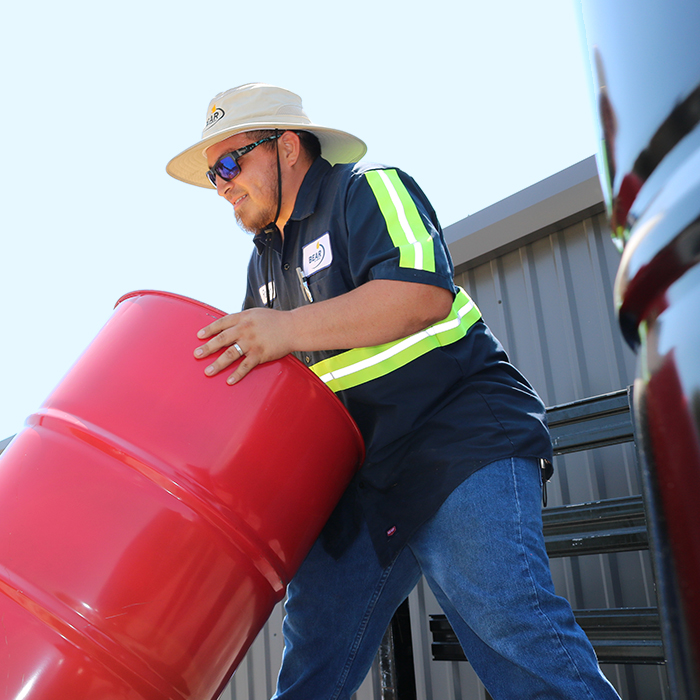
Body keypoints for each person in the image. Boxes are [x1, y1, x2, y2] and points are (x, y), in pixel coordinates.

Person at [166, 83, 621, 700]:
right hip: (358, 486)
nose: (222, 185)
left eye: (229, 163)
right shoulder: (262, 267)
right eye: (213, 175)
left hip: (457, 448)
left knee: (513, 634)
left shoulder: (368, 190)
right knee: (311, 667)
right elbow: (274, 398)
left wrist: (286, 329)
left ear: (289, 146)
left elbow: (421, 294)